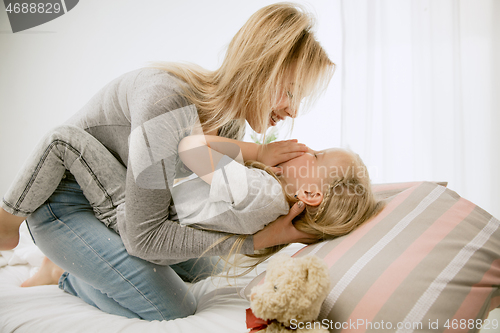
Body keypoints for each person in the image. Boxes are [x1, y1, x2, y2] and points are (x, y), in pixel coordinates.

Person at [0, 3, 334, 320]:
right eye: (290, 93)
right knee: (172, 306)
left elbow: (200, 213)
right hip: (69, 202)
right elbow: (145, 238)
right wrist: (255, 240)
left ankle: (82, 260)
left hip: (118, 208)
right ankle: (66, 273)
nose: (293, 111)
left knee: (211, 267)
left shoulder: (231, 127)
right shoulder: (166, 101)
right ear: (258, 67)